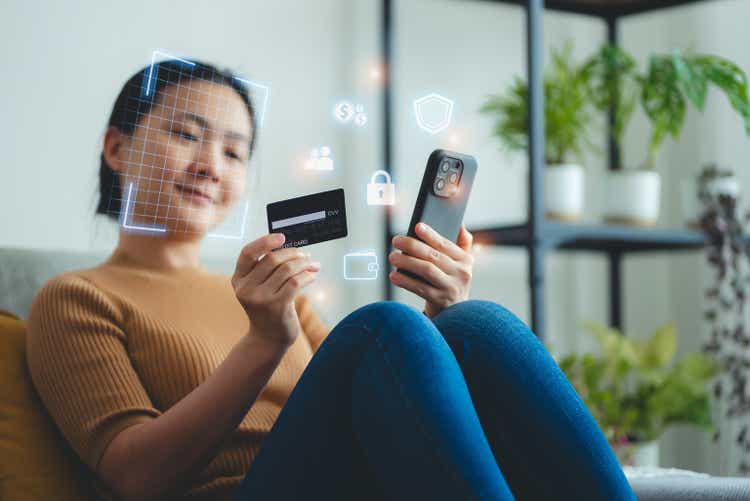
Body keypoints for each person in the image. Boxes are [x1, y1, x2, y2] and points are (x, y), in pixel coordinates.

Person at [25, 60, 635, 501]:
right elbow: (134, 476)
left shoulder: (265, 292)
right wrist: (264, 342)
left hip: (354, 476)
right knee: (380, 328)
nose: (212, 166)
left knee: (472, 321)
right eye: (186, 134)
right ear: (116, 148)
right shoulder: (76, 297)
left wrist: (440, 313)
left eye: (235, 152)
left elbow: (381, 395)